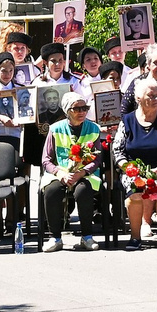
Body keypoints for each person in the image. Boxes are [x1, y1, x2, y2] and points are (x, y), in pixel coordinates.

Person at [116, 77, 157, 247]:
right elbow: (118, 151)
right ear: (138, 98)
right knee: (135, 191)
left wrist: (155, 172)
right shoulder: (127, 120)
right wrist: (133, 171)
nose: (155, 99)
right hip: (133, 170)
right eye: (150, 96)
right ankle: (135, 237)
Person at [40, 98, 106, 250]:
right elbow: (46, 159)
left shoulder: (93, 128)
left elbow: (97, 159)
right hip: (61, 173)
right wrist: (59, 173)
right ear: (67, 111)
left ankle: (87, 237)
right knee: (52, 191)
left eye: (84, 108)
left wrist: (82, 172)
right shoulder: (55, 128)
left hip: (85, 173)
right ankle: (55, 237)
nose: (82, 112)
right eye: (77, 109)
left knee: (83, 191)